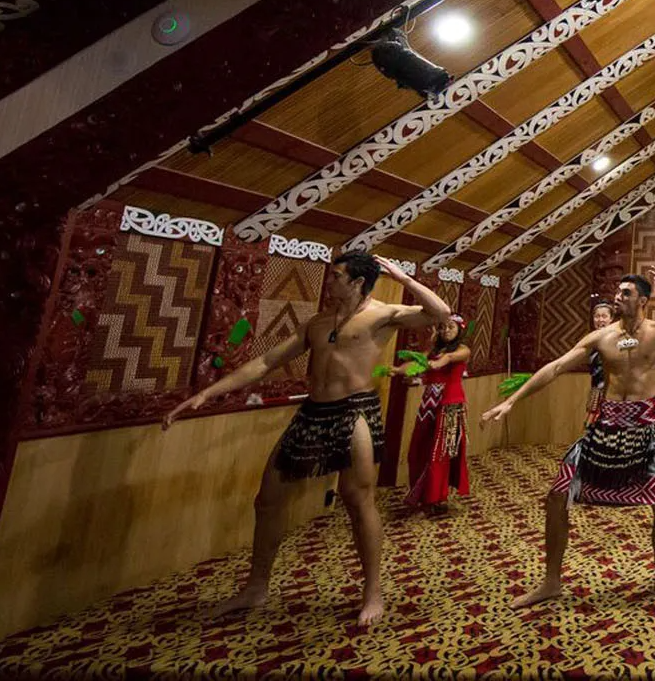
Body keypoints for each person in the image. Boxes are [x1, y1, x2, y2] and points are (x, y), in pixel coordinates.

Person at [162, 251, 451, 627]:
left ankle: (372, 592)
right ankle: (257, 587)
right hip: (314, 412)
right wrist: (208, 393)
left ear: (357, 282)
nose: (328, 281)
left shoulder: (382, 315)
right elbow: (265, 362)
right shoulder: (317, 324)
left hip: (355, 411)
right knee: (267, 500)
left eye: (336, 276)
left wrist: (404, 276)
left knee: (357, 499)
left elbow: (441, 313)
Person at [481, 262, 655, 606]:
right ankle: (551, 581)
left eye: (626, 293)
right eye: (618, 292)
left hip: (644, 429)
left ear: (642, 300)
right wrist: (511, 401)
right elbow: (555, 367)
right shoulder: (602, 336)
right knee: (556, 496)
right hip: (605, 426)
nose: (618, 297)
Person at [404, 313, 472, 513]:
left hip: (449, 405)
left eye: (450, 327)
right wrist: (397, 370)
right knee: (418, 448)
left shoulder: (462, 349)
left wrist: (439, 362)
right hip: (428, 405)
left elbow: (450, 358)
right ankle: (423, 494)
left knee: (439, 454)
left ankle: (435, 498)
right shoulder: (432, 351)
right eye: (442, 327)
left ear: (459, 329)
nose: (446, 331)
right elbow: (416, 363)